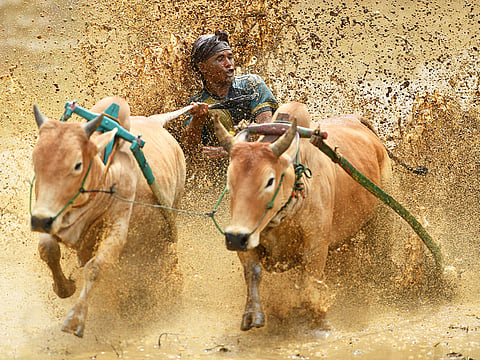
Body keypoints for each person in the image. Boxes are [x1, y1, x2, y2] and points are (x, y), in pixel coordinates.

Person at [182, 30, 278, 160]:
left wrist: (225, 151)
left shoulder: (252, 84)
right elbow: (189, 150)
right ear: (203, 67)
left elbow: (267, 134)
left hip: (261, 162)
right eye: (220, 59)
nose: (230, 65)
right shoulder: (196, 103)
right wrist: (198, 120)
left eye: (230, 57)